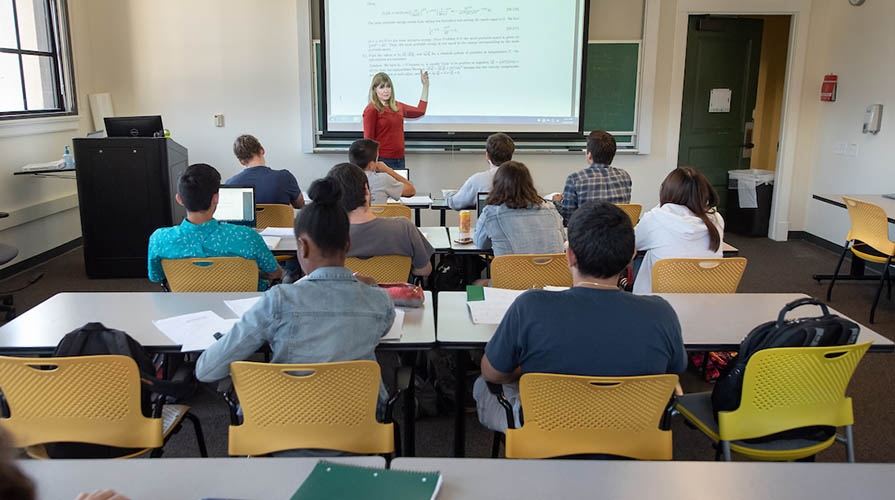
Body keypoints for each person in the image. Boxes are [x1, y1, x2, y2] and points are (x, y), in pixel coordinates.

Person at [473, 201, 687, 432]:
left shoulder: (530, 305)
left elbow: (492, 372)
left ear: (569, 256)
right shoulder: (662, 313)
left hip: (545, 435)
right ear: (630, 257)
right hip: (631, 435)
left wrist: (526, 371)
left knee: (481, 386)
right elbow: (674, 370)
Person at [195, 177, 395, 408]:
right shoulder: (379, 301)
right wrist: (369, 288)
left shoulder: (278, 300)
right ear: (347, 244)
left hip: (286, 427)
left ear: (304, 246)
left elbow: (206, 370)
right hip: (359, 429)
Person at [147, 163, 283, 291]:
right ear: (216, 198)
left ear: (179, 199)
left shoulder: (159, 239)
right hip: (245, 309)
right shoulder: (247, 237)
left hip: (187, 308)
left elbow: (156, 276)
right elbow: (275, 272)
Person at [327, 162, 434, 277]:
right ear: (367, 190)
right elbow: (424, 270)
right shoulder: (404, 228)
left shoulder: (327, 236)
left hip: (346, 294)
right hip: (392, 294)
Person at [633, 166, 725, 294]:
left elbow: (632, 242)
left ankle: (636, 297)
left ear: (666, 190)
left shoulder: (655, 218)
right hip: (706, 299)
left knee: (639, 254)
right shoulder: (716, 219)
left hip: (661, 301)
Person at [473, 161, 565, 257]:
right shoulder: (551, 209)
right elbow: (563, 239)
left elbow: (480, 244)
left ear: (498, 185)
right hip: (552, 271)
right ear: (529, 184)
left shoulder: (491, 214)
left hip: (511, 271)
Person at [552, 130, 631, 225]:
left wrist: (556, 203)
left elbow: (568, 220)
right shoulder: (624, 176)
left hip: (588, 237)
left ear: (589, 155)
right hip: (618, 236)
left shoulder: (575, 179)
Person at [362, 71, 429, 171]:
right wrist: (373, 164)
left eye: (388, 87)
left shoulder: (397, 106)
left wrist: (425, 86)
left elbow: (420, 111)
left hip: (399, 159)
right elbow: (368, 141)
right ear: (375, 89)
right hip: (382, 160)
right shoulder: (371, 109)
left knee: (400, 187)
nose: (386, 91)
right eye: (382, 87)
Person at [226, 134, 305, 208]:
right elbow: (300, 205)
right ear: (262, 150)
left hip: (244, 224)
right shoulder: (285, 177)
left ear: (241, 161)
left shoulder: (230, 184)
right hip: (279, 223)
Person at [445, 132, 515, 210]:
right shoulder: (523, 181)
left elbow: (455, 203)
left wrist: (448, 195)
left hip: (488, 222)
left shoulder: (478, 180)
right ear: (511, 156)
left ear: (487, 155)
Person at [348, 138, 415, 204]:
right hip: (377, 215)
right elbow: (411, 191)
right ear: (371, 165)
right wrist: (388, 170)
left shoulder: (343, 179)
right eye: (377, 159)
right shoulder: (383, 179)